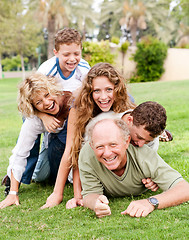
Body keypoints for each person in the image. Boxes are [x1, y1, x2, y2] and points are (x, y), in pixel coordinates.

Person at [41, 63, 158, 209]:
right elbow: (72, 151)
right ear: (90, 91)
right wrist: (62, 194)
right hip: (80, 157)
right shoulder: (78, 109)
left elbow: (140, 136)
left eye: (109, 89)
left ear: (117, 88)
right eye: (97, 91)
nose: (103, 97)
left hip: (109, 160)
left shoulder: (124, 105)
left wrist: (149, 175)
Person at [2, 28, 91, 188]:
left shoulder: (84, 69)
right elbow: (30, 99)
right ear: (56, 52)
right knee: (29, 126)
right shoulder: (46, 71)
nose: (72, 59)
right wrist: (43, 116)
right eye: (66, 55)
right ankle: (19, 174)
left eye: (76, 53)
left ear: (81, 50)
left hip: (71, 116)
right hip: (45, 115)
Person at [79, 118, 189, 218]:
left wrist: (150, 203)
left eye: (113, 144)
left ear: (126, 142)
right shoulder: (87, 155)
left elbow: (184, 189)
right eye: (100, 146)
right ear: (92, 146)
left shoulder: (144, 156)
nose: (107, 153)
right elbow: (89, 194)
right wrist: (95, 203)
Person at [0, 73, 72, 209]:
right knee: (40, 176)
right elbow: (20, 153)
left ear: (53, 89)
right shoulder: (34, 120)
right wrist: (13, 193)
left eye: (47, 95)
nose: (46, 103)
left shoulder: (71, 101)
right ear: (33, 107)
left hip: (74, 144)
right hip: (54, 143)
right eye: (38, 102)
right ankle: (13, 175)